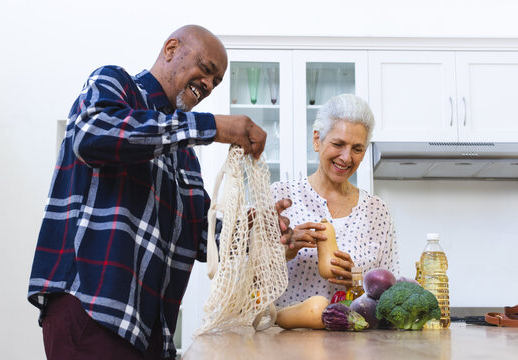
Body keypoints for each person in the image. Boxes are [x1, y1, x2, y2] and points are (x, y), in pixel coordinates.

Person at [28, 25, 293, 360]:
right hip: (92, 310)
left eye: (216, 81)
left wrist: (252, 230)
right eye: (206, 70)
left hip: (151, 331)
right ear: (171, 49)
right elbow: (93, 135)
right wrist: (214, 127)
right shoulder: (114, 84)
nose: (209, 85)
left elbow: (202, 238)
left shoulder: (184, 153)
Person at [272, 94, 399, 308]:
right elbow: (244, 280)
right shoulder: (280, 196)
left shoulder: (377, 211)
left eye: (357, 149)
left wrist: (360, 282)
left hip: (358, 338)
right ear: (316, 140)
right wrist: (282, 253)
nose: (346, 157)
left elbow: (391, 296)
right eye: (338, 144)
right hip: (286, 337)